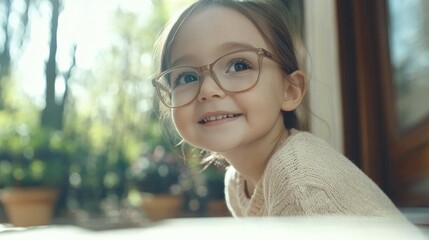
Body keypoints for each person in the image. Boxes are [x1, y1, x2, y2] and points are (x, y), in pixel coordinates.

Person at [151, 0, 403, 217]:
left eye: (239, 65)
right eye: (185, 77)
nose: (207, 90)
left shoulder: (300, 182)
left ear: (290, 90)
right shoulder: (237, 183)